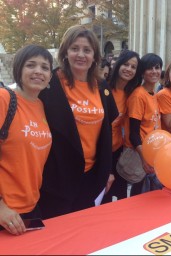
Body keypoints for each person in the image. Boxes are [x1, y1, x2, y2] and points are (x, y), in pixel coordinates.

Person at [38, 25, 118, 219]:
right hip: (57, 178)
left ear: (94, 56)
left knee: (83, 231)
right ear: (65, 52)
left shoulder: (101, 86)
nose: (80, 55)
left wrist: (108, 170)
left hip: (91, 176)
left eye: (87, 50)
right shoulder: (50, 83)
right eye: (75, 49)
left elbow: (108, 133)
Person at [0, 45, 53, 235]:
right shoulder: (4, 99)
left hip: (31, 206)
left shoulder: (40, 105)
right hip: (6, 212)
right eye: (31, 65)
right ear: (18, 70)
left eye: (45, 67)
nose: (38, 71)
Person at [101, 50, 141, 203]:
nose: (129, 69)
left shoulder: (131, 94)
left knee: (120, 195)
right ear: (118, 65)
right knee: (101, 195)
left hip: (117, 151)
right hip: (99, 151)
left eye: (133, 67)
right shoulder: (104, 88)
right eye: (126, 64)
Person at [123, 53, 163, 196]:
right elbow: (134, 133)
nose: (154, 71)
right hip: (141, 156)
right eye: (149, 68)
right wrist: (144, 158)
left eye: (157, 67)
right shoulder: (138, 95)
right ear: (142, 72)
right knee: (139, 196)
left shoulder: (152, 94)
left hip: (151, 155)